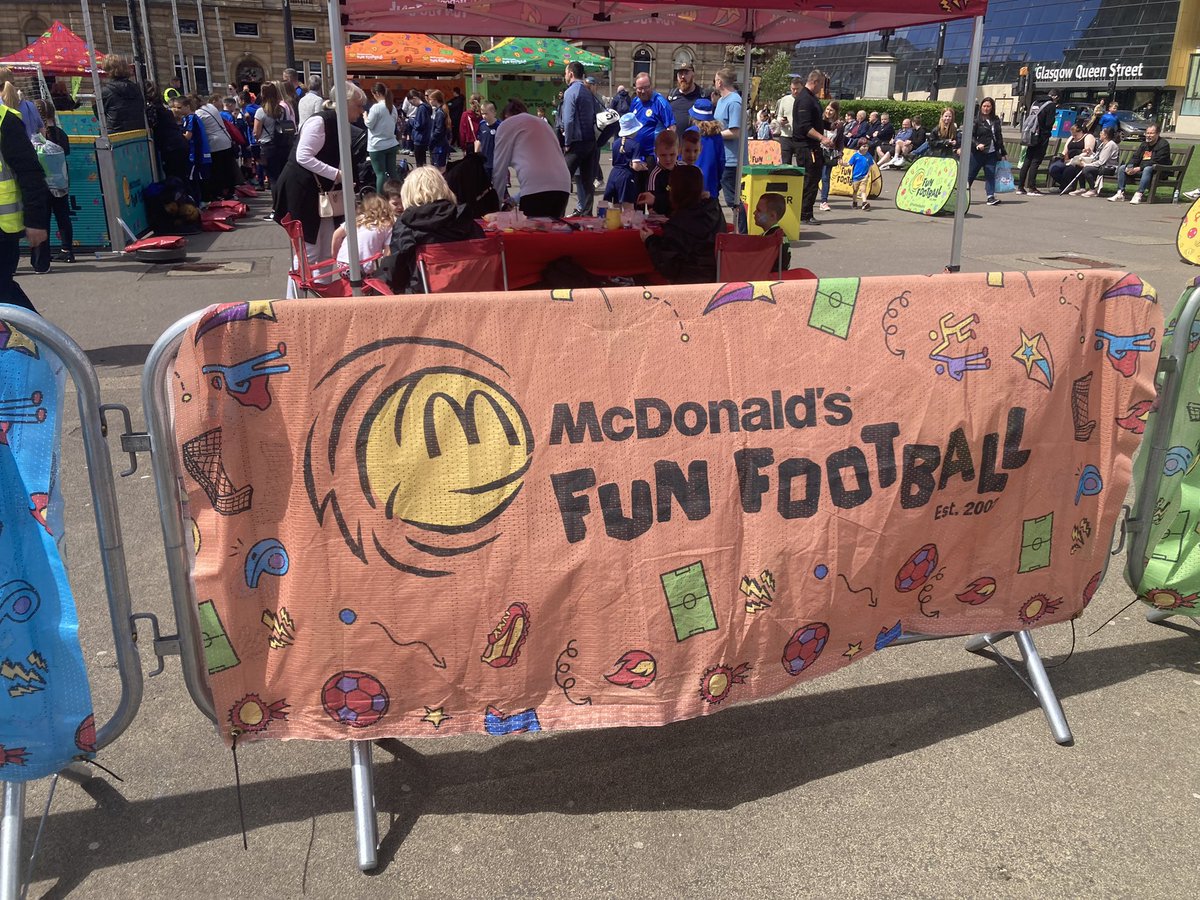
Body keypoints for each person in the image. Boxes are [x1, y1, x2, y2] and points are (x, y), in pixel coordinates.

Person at [273, 81, 368, 297]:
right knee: (307, 251)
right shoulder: (320, 122)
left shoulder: (341, 125)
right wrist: (337, 175)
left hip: (322, 194)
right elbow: (302, 156)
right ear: (344, 104)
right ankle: (294, 302)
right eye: (358, 105)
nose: (362, 110)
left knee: (326, 249)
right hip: (302, 193)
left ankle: (323, 297)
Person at [386, 165, 484, 294]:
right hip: (472, 295)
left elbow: (395, 274)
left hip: (425, 300)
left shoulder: (407, 226)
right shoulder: (466, 220)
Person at [0, 101, 49, 310]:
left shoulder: (5, 120)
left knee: (3, 290)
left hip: (2, 227)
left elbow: (30, 172)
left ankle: (38, 338)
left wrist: (36, 221)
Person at [490, 99, 572, 217]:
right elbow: (544, 181)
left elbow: (499, 170)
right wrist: (513, 200)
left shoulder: (506, 125)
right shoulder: (542, 124)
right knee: (552, 231)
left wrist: (495, 207)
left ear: (506, 116)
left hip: (535, 191)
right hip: (563, 186)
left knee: (532, 232)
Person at [641, 165, 722, 284]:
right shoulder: (714, 210)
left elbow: (668, 266)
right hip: (717, 279)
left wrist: (650, 240)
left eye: (670, 188)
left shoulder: (678, 224)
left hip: (687, 284)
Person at [792, 69, 834, 226]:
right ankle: (805, 214)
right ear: (815, 82)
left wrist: (829, 125)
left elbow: (815, 121)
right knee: (810, 179)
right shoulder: (805, 99)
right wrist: (822, 138)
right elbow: (805, 127)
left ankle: (805, 212)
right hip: (806, 146)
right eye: (821, 84)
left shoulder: (811, 98)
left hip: (812, 146)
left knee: (813, 177)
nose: (821, 88)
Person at [561, 62, 600, 217]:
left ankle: (558, 212)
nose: (564, 76)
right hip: (591, 142)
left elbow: (568, 120)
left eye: (565, 73)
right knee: (587, 180)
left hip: (576, 142)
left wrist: (567, 142)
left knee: (563, 178)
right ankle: (587, 213)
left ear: (571, 73)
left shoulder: (571, 92)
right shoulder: (587, 91)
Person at [713, 67, 744, 230]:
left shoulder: (734, 102)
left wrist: (713, 134)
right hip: (721, 156)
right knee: (713, 195)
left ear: (720, 81)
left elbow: (735, 131)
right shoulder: (721, 101)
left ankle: (742, 233)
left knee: (733, 200)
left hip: (731, 160)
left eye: (715, 79)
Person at [332, 193, 394, 276]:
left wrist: (335, 255)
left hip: (342, 263)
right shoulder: (387, 225)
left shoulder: (358, 219)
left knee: (353, 282)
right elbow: (388, 251)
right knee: (369, 281)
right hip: (362, 266)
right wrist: (383, 269)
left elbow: (336, 235)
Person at [1108, 123, 1170, 203]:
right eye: (1147, 133)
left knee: (1148, 168)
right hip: (1141, 170)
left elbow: (1157, 161)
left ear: (1157, 134)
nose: (1148, 135)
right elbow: (1135, 157)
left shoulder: (1163, 144)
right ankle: (1120, 193)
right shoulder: (1144, 144)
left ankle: (1139, 194)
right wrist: (1130, 166)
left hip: (1158, 172)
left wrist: (1139, 168)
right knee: (1122, 168)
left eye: (1151, 133)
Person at [254, 82, 295, 198]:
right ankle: (285, 205)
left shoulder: (261, 111)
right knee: (282, 177)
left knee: (273, 179)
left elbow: (256, 133)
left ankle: (276, 210)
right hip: (283, 146)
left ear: (263, 94)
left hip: (268, 147)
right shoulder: (282, 109)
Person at [630, 73, 674, 177]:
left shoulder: (660, 102)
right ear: (635, 88)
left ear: (651, 86)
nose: (643, 91)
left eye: (646, 87)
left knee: (651, 189)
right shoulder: (635, 101)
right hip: (636, 155)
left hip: (652, 156)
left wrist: (667, 154)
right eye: (640, 88)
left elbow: (671, 128)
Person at [1016, 88, 1058, 196]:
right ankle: (1032, 187)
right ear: (1055, 97)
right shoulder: (1051, 105)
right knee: (1036, 161)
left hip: (1030, 134)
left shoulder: (1035, 102)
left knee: (1027, 160)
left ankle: (1020, 187)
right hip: (1041, 136)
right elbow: (1049, 123)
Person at [195, 93, 237, 200]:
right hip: (226, 139)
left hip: (214, 143)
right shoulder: (210, 107)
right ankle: (230, 192)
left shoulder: (198, 113)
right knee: (228, 168)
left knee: (217, 170)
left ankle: (219, 194)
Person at [968, 97, 1007, 206]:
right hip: (978, 153)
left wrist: (1003, 152)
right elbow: (970, 136)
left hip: (992, 153)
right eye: (984, 106)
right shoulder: (976, 120)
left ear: (992, 107)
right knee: (971, 175)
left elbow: (999, 136)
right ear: (981, 107)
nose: (986, 108)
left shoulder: (995, 120)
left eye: (988, 106)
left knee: (990, 174)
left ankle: (990, 197)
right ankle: (962, 194)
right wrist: (976, 144)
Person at [147, 87, 190, 184]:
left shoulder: (153, 109)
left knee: (174, 176)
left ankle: (181, 197)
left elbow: (151, 126)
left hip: (171, 147)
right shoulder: (164, 110)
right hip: (179, 143)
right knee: (183, 176)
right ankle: (189, 197)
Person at [605, 113, 646, 212]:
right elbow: (635, 166)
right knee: (628, 206)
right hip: (625, 176)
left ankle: (615, 224)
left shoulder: (615, 143)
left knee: (615, 206)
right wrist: (643, 167)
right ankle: (628, 226)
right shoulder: (635, 145)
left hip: (614, 174)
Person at [173, 96, 210, 205]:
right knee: (194, 178)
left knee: (192, 179)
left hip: (195, 154)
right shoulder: (190, 118)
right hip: (194, 153)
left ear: (187, 106)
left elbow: (188, 136)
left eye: (179, 107)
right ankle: (200, 201)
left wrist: (176, 133)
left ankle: (198, 203)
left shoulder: (191, 118)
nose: (177, 110)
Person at [365, 82, 400, 195]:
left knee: (380, 174)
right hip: (391, 143)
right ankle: (401, 193)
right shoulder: (392, 107)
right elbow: (394, 122)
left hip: (377, 144)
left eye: (373, 94)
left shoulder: (376, 107)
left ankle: (380, 198)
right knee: (393, 172)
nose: (373, 97)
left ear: (377, 93)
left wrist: (365, 117)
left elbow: (370, 124)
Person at [95, 55, 144, 134]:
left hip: (115, 133)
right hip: (137, 133)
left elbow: (100, 116)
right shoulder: (136, 88)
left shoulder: (105, 91)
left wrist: (94, 104)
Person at [637, 130, 678, 215]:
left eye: (672, 154)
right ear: (656, 153)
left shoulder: (684, 169)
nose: (668, 159)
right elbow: (652, 207)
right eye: (663, 155)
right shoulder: (654, 176)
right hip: (665, 219)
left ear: (679, 151)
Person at [690, 100, 723, 201]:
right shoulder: (717, 135)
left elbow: (682, 159)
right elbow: (721, 161)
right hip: (711, 185)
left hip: (691, 184)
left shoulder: (690, 133)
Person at [1047, 122, 1095, 192]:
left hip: (1078, 161)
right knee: (1054, 169)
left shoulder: (1088, 137)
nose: (1074, 136)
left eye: (1075, 135)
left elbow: (1087, 152)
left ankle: (1063, 188)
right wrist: (1063, 155)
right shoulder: (1071, 138)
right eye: (1072, 135)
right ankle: (1066, 185)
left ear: (1081, 132)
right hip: (1067, 159)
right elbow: (1065, 150)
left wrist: (1073, 159)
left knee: (1068, 170)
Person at [1075, 127, 1121, 197]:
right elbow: (1098, 156)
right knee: (1078, 165)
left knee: (1086, 169)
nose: (1100, 134)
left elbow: (1101, 162)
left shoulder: (1110, 145)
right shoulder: (1103, 144)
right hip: (1101, 166)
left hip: (1109, 168)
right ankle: (1082, 188)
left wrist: (1087, 165)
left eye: (1101, 133)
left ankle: (1093, 189)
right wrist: (1090, 152)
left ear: (1105, 135)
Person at [753, 192, 790, 272]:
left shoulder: (770, 238)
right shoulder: (780, 234)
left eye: (758, 210)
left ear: (772, 216)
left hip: (769, 278)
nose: (754, 213)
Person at [817, 99, 843, 213]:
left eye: (831, 110)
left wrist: (840, 154)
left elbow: (841, 141)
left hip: (830, 154)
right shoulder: (820, 121)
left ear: (835, 112)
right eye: (827, 109)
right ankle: (809, 198)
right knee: (815, 177)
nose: (828, 112)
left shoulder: (839, 125)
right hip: (818, 151)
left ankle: (824, 201)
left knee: (826, 177)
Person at [668, 63, 704, 131]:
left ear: (693, 75)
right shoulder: (671, 95)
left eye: (686, 73)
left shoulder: (702, 95)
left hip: (695, 140)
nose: (683, 77)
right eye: (680, 74)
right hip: (676, 140)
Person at [774, 78, 801, 165]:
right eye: (793, 89)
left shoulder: (805, 100)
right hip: (786, 136)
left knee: (801, 162)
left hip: (800, 137)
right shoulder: (784, 100)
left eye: (797, 89)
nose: (795, 91)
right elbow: (779, 116)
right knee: (785, 163)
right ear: (790, 88)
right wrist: (781, 121)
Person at [427, 91, 451, 170]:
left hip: (438, 145)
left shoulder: (439, 113)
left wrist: (431, 141)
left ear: (435, 100)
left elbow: (439, 130)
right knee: (440, 167)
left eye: (430, 99)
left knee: (438, 168)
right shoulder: (440, 111)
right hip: (441, 144)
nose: (429, 101)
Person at [849, 137, 874, 212]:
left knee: (863, 190)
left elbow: (870, 165)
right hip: (856, 177)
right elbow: (849, 163)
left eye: (867, 146)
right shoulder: (855, 155)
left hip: (864, 177)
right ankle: (854, 202)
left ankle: (864, 203)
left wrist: (867, 174)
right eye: (864, 146)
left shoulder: (868, 156)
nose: (866, 148)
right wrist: (843, 164)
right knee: (855, 190)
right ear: (859, 147)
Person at [409, 89, 432, 168]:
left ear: (414, 98)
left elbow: (419, 125)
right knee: (423, 161)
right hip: (425, 136)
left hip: (420, 138)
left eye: (411, 102)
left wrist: (411, 121)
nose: (412, 104)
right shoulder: (426, 107)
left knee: (419, 162)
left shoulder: (421, 108)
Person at [478, 101, 500, 179]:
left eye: (486, 113)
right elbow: (479, 141)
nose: (484, 116)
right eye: (482, 113)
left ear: (493, 113)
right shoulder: (482, 125)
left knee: (499, 187)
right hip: (485, 162)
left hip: (497, 163)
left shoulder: (500, 126)